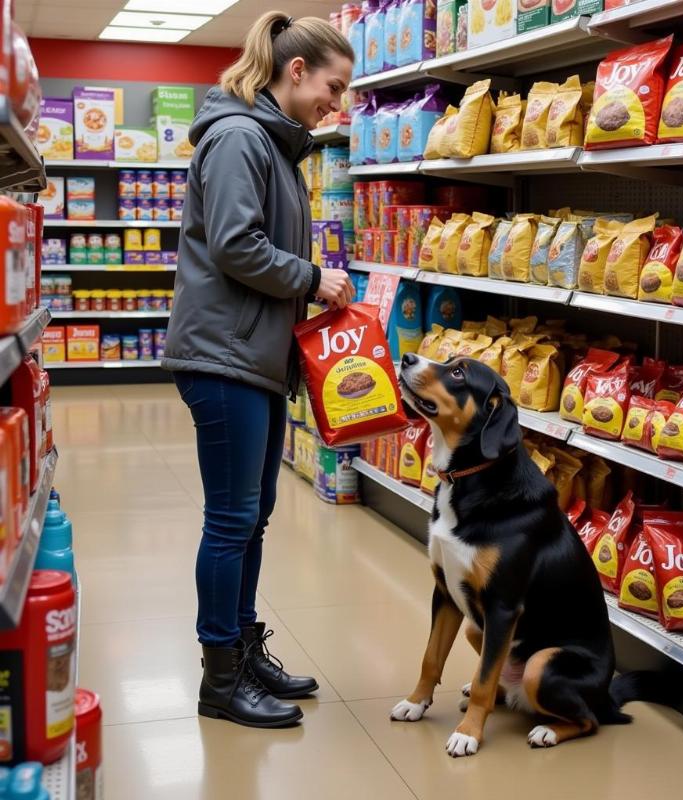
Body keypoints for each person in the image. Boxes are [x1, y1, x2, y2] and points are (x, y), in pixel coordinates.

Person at [162, 11, 355, 729]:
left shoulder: (273, 143)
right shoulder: (241, 137)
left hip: (255, 356)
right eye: (332, 87)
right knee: (232, 518)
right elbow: (239, 246)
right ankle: (220, 676)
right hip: (224, 356)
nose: (336, 104)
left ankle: (243, 648)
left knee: (255, 517)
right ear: (294, 71)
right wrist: (312, 278)